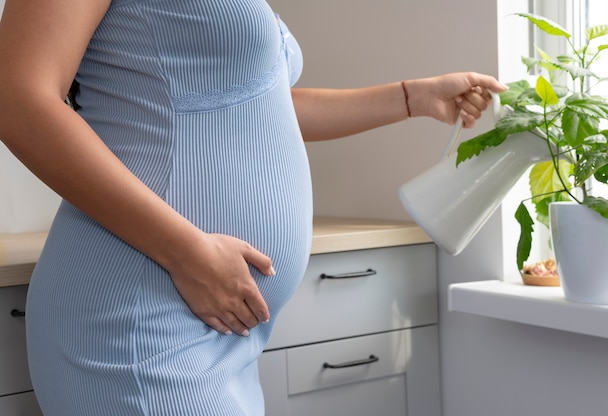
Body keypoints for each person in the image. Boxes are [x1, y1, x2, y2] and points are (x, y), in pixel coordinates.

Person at [0, 0, 506, 415]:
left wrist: (411, 98)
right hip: (140, 319)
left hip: (218, 330)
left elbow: (257, 104)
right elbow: (17, 100)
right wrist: (186, 251)